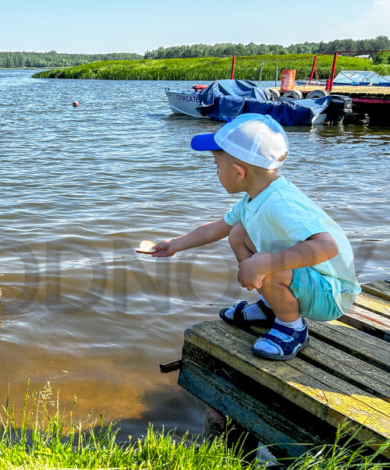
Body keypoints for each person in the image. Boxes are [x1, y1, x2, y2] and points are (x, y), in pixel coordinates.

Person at [150, 114, 360, 361]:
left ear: (238, 172)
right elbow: (215, 228)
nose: (216, 173)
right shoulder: (254, 198)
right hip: (310, 281)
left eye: (217, 167)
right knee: (238, 232)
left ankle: (293, 329)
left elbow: (327, 246)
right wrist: (174, 245)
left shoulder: (282, 203)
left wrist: (262, 264)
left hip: (332, 293)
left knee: (267, 263)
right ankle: (272, 305)